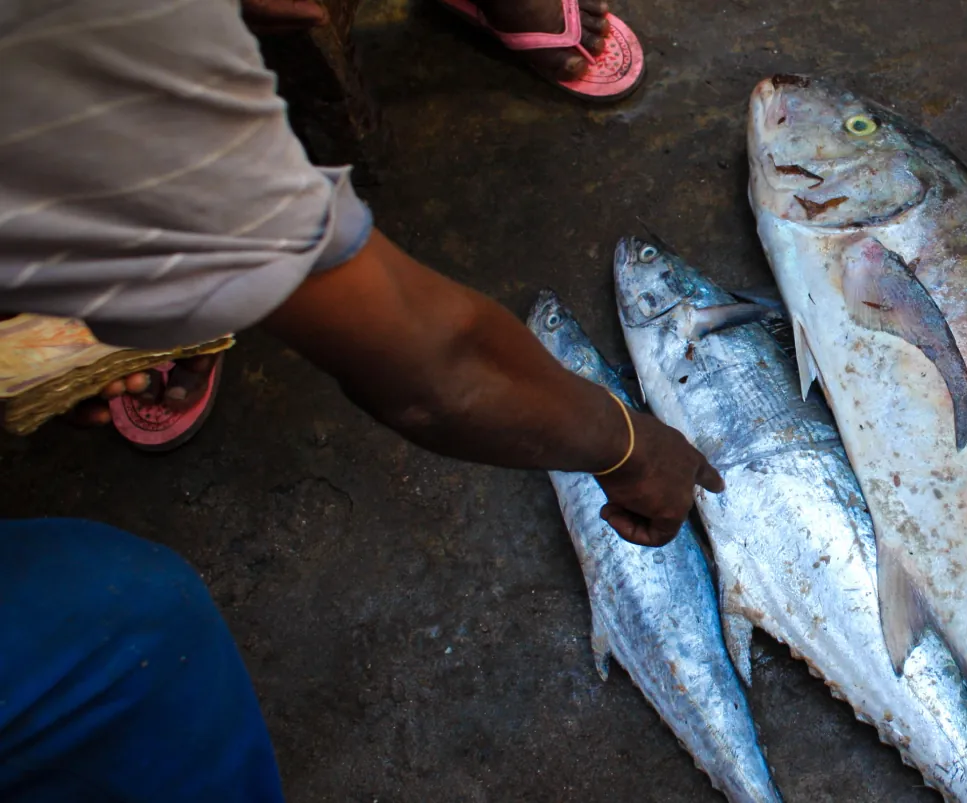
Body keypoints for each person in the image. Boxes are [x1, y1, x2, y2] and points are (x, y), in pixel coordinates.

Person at [0, 0, 718, 799]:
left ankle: (186, 266)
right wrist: (629, 447)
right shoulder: (107, 33)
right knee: (135, 630)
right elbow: (432, 372)